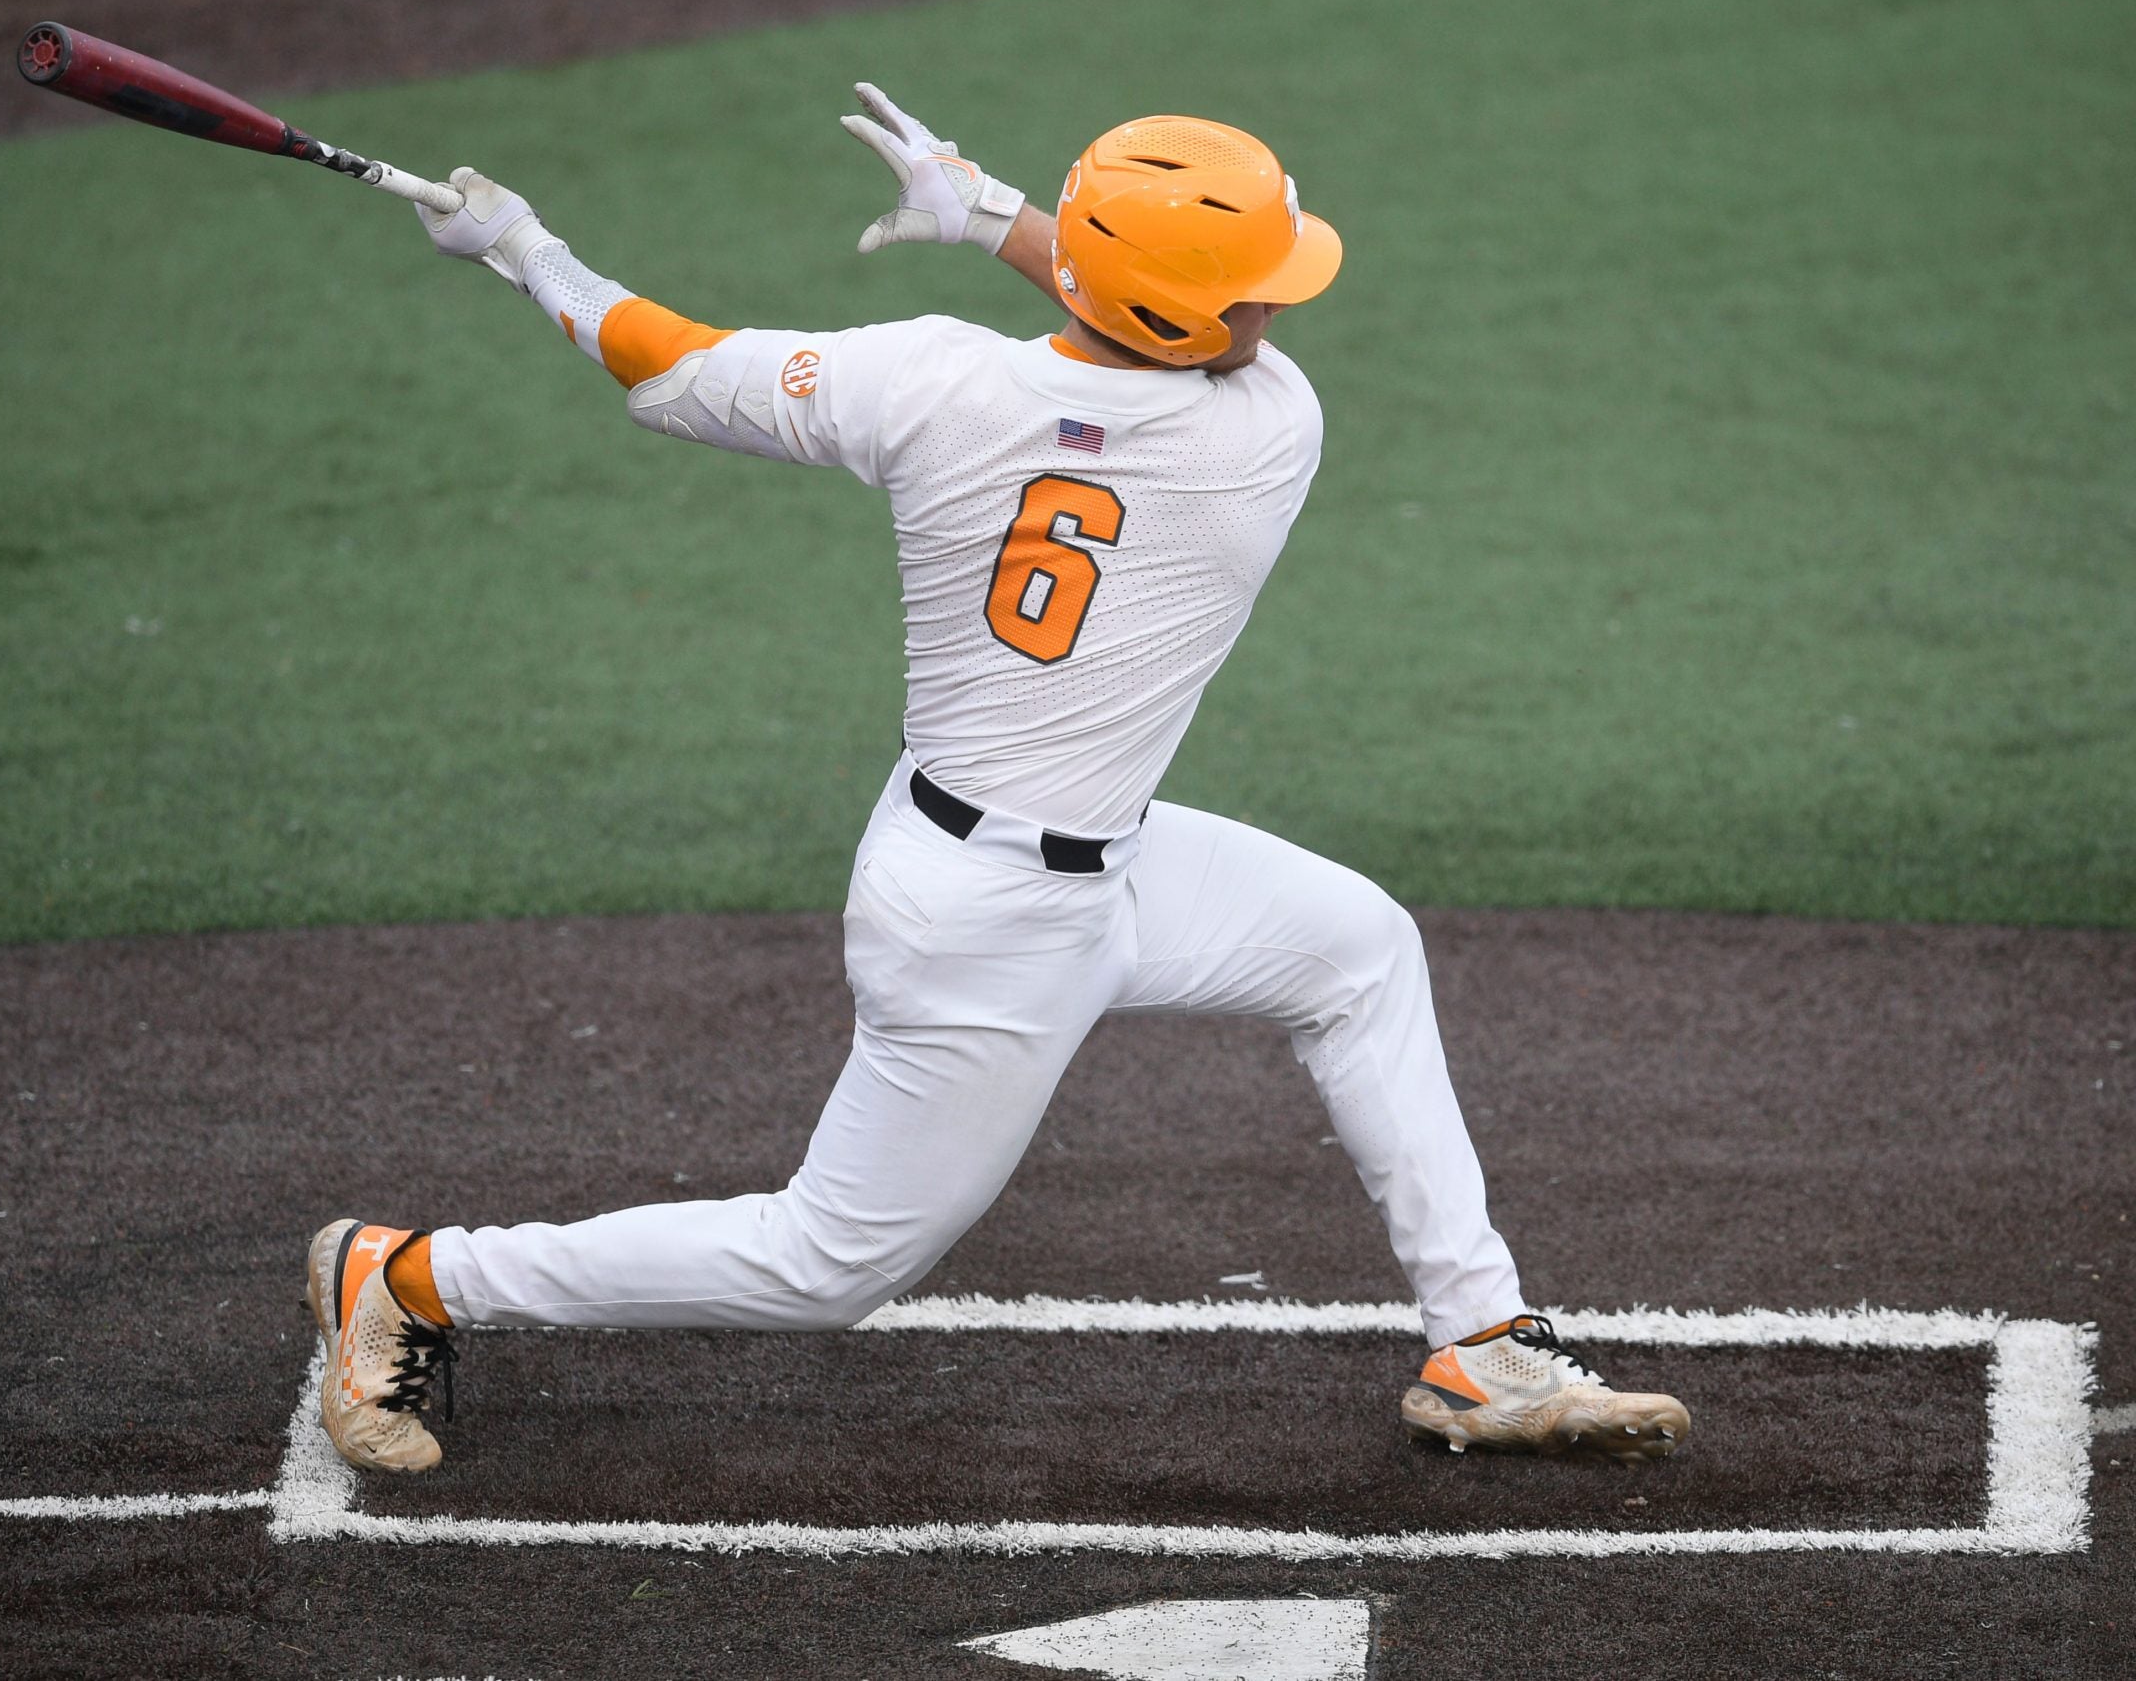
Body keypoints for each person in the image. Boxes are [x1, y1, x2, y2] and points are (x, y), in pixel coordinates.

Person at [306, 87, 1689, 1475]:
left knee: (1357, 947)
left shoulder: (923, 383)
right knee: (822, 1263)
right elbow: (1155, 326)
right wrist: (991, 215)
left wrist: (527, 250)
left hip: (1052, 857)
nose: (1275, 313)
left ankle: (1482, 1339)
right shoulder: (1263, 434)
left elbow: (668, 361)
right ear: (1190, 317)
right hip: (988, 928)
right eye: (1251, 292)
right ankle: (413, 1275)